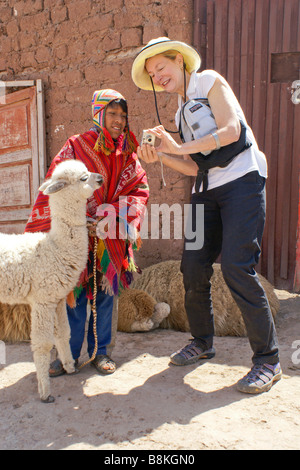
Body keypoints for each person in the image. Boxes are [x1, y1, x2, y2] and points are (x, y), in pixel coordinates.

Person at [131, 37, 281, 394]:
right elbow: (193, 166)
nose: (158, 77)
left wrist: (178, 145)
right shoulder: (180, 109)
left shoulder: (210, 81)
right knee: (192, 266)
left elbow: (231, 131)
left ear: (179, 60)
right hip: (206, 191)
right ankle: (202, 342)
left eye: (161, 67)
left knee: (236, 266)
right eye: (152, 74)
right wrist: (161, 156)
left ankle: (268, 360)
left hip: (242, 183)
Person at [25, 89, 149, 375]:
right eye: (113, 113)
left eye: (123, 115)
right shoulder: (75, 146)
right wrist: (81, 219)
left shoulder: (127, 154)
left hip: (109, 238)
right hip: (77, 237)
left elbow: (138, 188)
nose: (119, 120)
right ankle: (66, 355)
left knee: (106, 296)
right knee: (75, 296)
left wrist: (112, 217)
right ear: (98, 113)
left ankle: (102, 353)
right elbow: (58, 184)